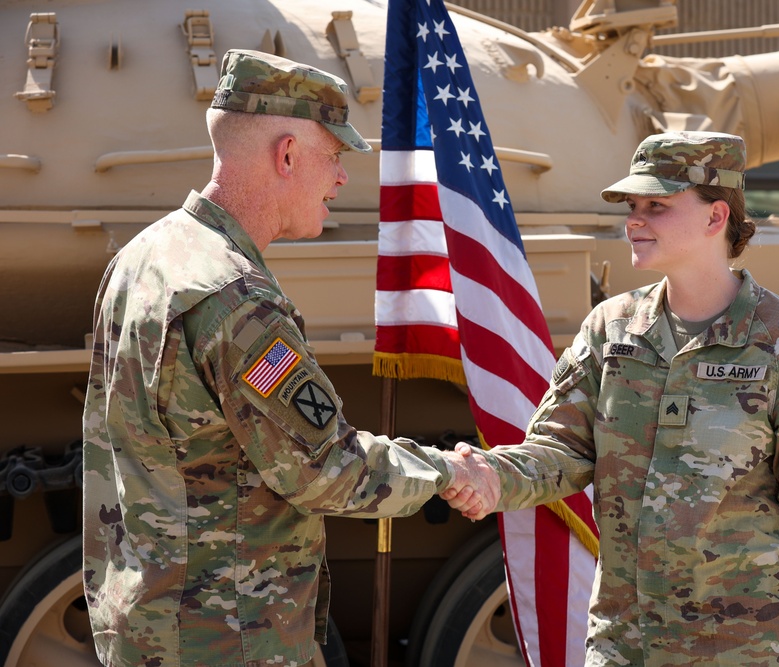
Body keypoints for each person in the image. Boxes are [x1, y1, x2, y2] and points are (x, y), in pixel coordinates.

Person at [81, 49, 493, 667]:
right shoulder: (235, 301)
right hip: (226, 639)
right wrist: (451, 473)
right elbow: (328, 469)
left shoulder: (145, 257)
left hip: (150, 624)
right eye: (335, 155)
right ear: (289, 155)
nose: (342, 178)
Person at [443, 131, 779, 666]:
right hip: (625, 648)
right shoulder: (611, 328)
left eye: (657, 206)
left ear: (716, 218)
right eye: (632, 206)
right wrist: (490, 477)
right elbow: (560, 450)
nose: (634, 220)